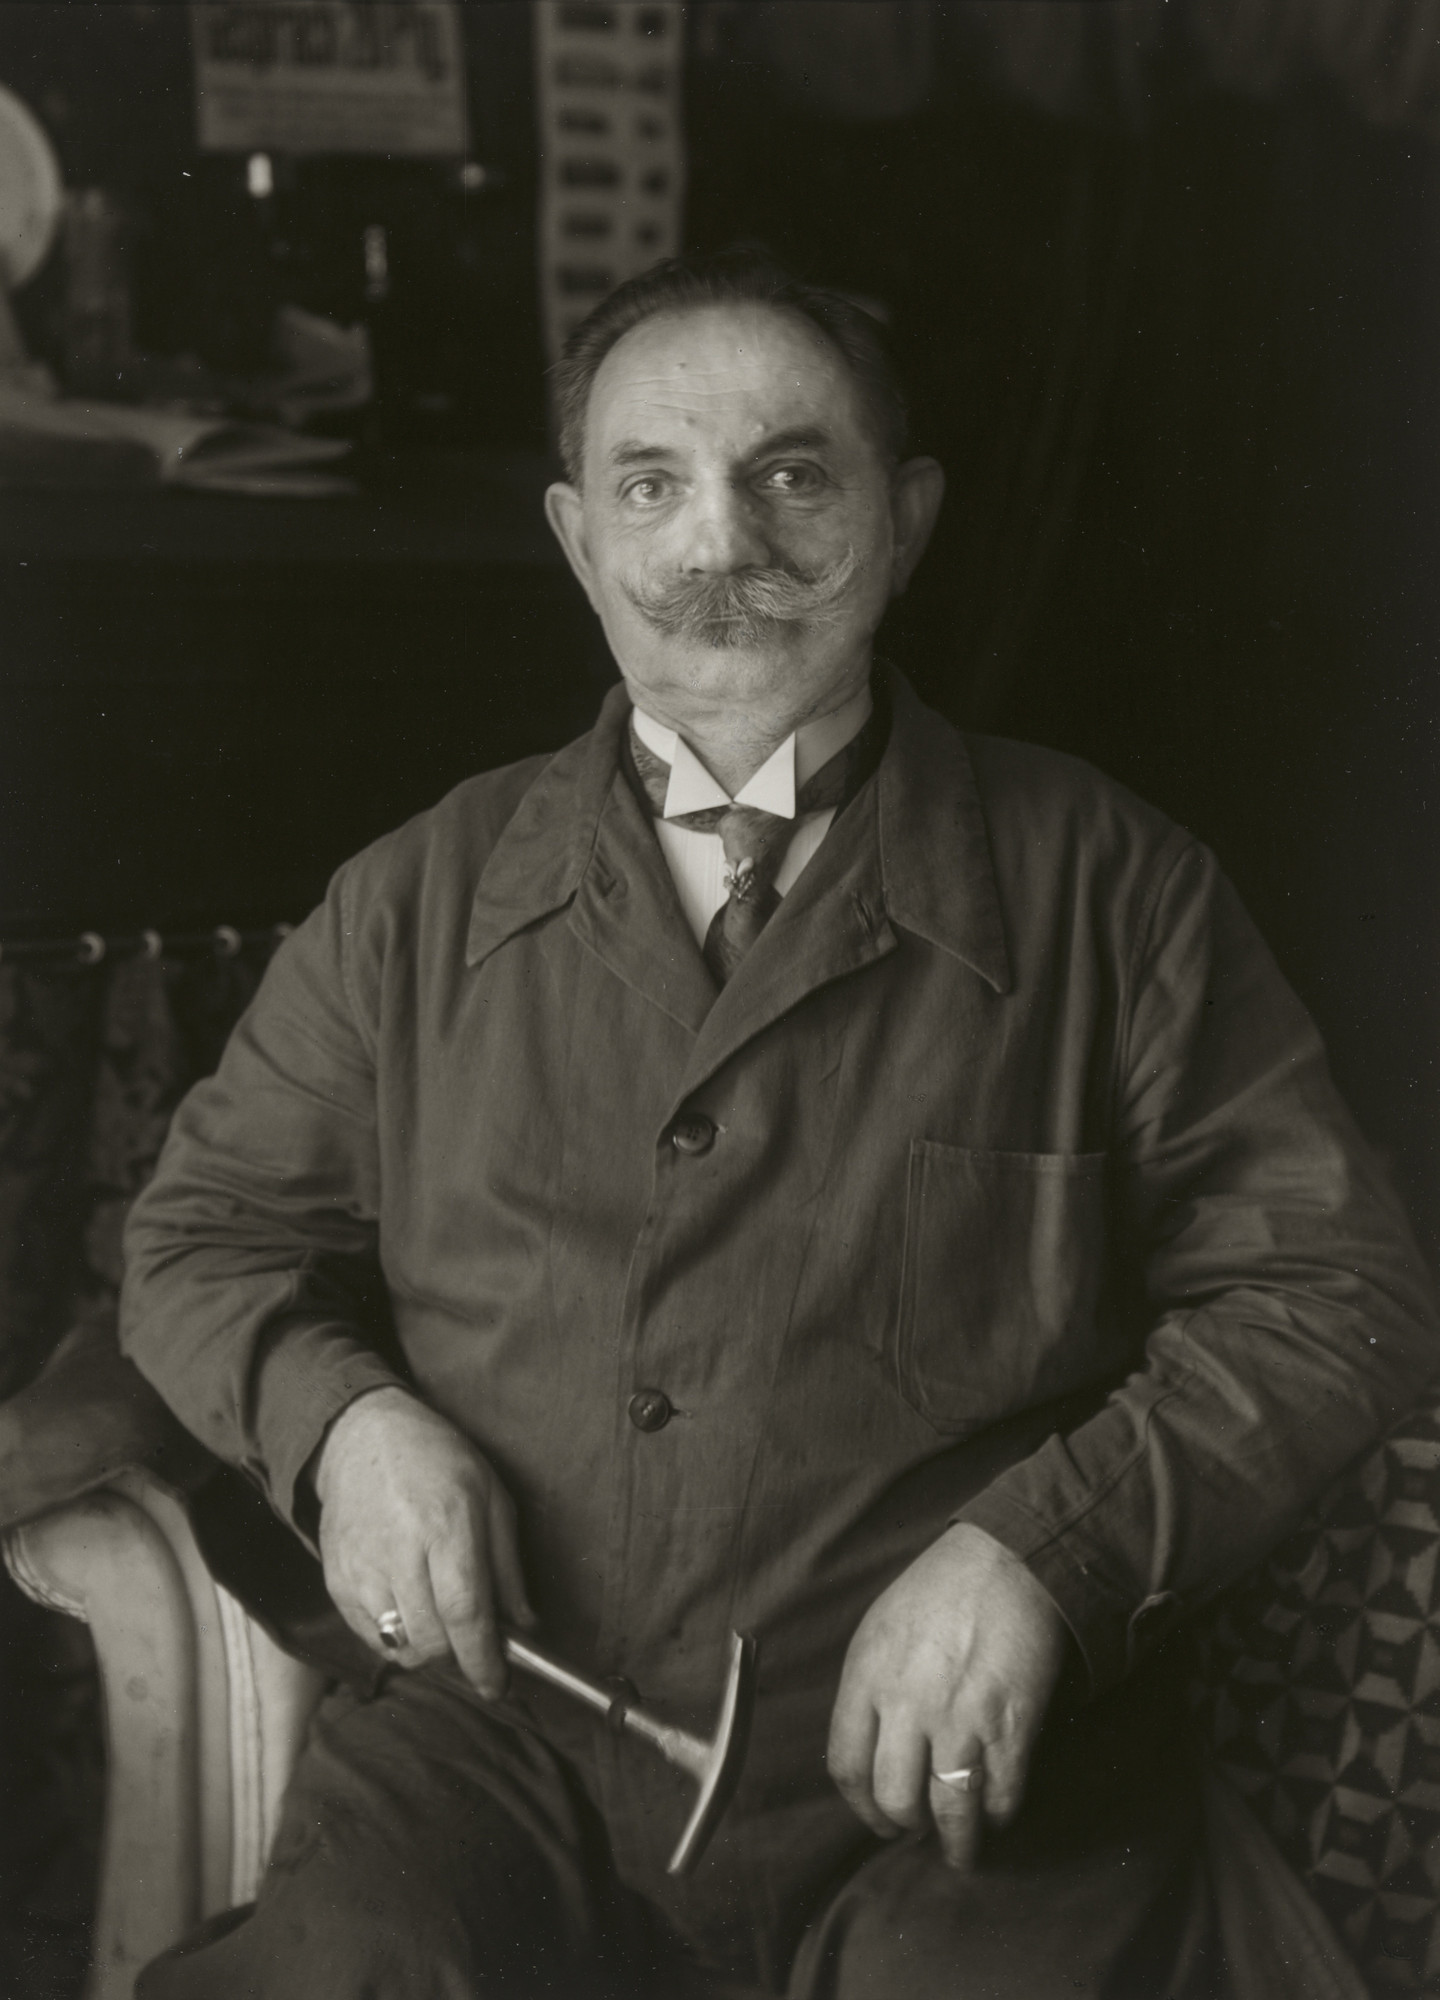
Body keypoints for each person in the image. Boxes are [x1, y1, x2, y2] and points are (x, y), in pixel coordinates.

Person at [121, 249, 1437, 1999]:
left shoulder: (1113, 888)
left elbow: (1333, 1291)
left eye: (791, 477)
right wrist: (342, 1420)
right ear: (581, 541)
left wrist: (1047, 1559)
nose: (717, 544)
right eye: (651, 486)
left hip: (955, 1771)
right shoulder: (414, 899)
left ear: (905, 522)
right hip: (500, 1750)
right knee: (362, 1966)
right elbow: (200, 1238)